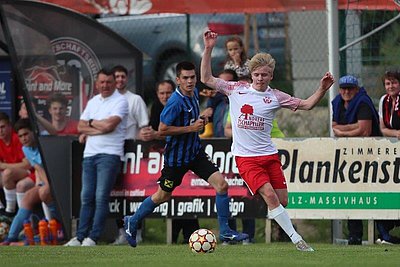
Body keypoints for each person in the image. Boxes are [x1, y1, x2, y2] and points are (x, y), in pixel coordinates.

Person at [201, 29, 334, 251]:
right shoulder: (236, 89)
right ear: (251, 75)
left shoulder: (276, 96)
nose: (260, 78)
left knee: (282, 201)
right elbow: (206, 78)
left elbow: (308, 104)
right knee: (271, 196)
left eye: (265, 75)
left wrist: (321, 88)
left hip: (269, 156)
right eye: (257, 74)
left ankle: (273, 213)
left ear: (271, 75)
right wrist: (208, 48)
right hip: (246, 158)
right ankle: (297, 240)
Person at [123, 61, 248, 248]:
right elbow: (162, 129)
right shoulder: (174, 102)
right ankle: (132, 221)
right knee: (162, 196)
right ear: (178, 80)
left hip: (195, 153)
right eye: (186, 78)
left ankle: (225, 232)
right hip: (176, 160)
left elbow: (193, 121)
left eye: (192, 77)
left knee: (222, 185)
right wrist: (192, 127)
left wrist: (202, 118)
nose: (190, 81)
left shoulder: (195, 93)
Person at [64, 68, 128, 246]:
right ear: (97, 83)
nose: (105, 85)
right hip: (90, 154)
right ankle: (79, 236)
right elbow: (80, 126)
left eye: (109, 82)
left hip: (110, 154)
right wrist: (95, 126)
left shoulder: (120, 101)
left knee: (101, 197)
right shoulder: (93, 102)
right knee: (86, 196)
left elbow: (109, 126)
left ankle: (93, 237)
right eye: (102, 82)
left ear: (114, 83)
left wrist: (91, 124)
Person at [331, 75, 381, 245]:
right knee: (351, 193)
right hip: (349, 155)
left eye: (350, 88)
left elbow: (365, 130)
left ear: (356, 89)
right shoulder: (338, 102)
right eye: (343, 88)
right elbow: (334, 126)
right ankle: (355, 235)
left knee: (373, 194)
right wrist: (354, 128)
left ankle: (381, 234)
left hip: (371, 154)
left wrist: (343, 131)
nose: (346, 92)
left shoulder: (363, 102)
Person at [149, 79, 200, 244]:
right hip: (168, 158)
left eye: (168, 92)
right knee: (166, 195)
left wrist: (157, 134)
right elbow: (156, 131)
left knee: (186, 195)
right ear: (157, 95)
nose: (165, 96)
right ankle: (174, 236)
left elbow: (162, 132)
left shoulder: (181, 102)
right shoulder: (157, 108)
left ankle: (190, 234)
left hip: (186, 155)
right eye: (161, 93)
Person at [0, 119, 60, 245]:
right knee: (28, 197)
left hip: (60, 180)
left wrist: (47, 187)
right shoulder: (26, 149)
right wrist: (42, 185)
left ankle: (58, 228)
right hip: (47, 182)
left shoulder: (44, 141)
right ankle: (11, 237)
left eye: (26, 134)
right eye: (20, 136)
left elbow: (54, 131)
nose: (23, 138)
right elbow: (38, 168)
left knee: (43, 191)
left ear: (33, 132)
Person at [111, 65, 151, 245]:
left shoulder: (135, 100)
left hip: (133, 155)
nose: (119, 80)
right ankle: (121, 232)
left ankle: (138, 230)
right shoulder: (105, 100)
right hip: (112, 151)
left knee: (135, 193)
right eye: (116, 77)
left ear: (127, 78)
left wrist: (137, 139)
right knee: (116, 193)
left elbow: (144, 128)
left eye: (122, 76)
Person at [376, 70, 400, 245]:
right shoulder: (383, 101)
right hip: (392, 153)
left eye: (394, 82)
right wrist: (396, 133)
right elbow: (383, 129)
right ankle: (386, 235)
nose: (391, 86)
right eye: (387, 83)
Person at [0, 112, 35, 218]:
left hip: (29, 172)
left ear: (9, 126)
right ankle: (1, 209)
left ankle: (10, 211)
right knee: (7, 174)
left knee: (7, 173)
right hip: (11, 175)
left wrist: (4, 166)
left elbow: (27, 164)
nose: (0, 131)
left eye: (2, 127)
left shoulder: (18, 137)